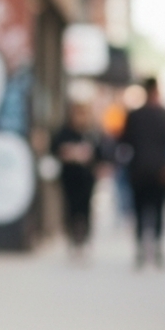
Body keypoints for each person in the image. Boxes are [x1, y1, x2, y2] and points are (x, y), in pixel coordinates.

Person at [120, 78, 165, 267]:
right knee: (158, 210)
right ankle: (157, 247)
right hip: (161, 170)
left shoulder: (134, 116)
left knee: (139, 210)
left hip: (138, 170)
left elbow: (124, 143)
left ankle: (141, 249)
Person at [51, 100, 104, 255]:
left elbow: (100, 154)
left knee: (85, 208)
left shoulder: (91, 133)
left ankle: (84, 238)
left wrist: (88, 155)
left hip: (86, 177)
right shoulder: (64, 132)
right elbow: (54, 148)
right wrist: (68, 152)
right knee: (70, 208)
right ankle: (72, 238)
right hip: (69, 176)